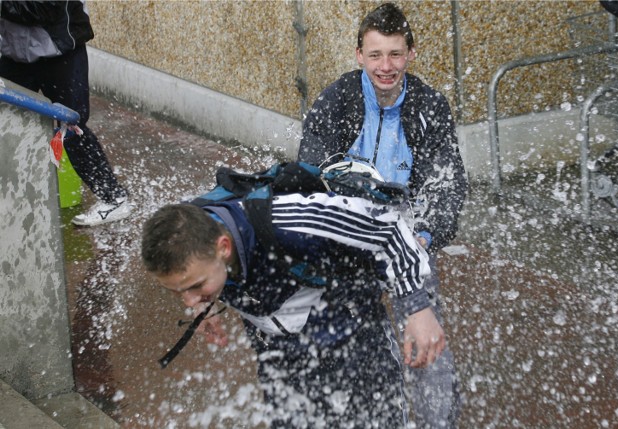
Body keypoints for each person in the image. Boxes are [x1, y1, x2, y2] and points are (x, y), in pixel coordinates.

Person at [141, 187, 448, 428]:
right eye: (179, 292)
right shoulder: (194, 238)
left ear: (224, 247)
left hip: (353, 336)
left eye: (195, 287)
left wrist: (417, 308)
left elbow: (388, 228)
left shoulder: (291, 222)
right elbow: (198, 276)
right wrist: (203, 304)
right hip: (281, 353)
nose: (189, 299)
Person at [297, 3, 468, 427]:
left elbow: (447, 185)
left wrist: (423, 239)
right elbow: (309, 174)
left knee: (428, 347)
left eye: (395, 54)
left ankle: (438, 422)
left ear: (411, 53)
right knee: (355, 351)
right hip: (347, 240)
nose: (386, 66)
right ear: (359, 55)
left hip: (411, 238)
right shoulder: (336, 100)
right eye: (375, 55)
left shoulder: (430, 106)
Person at [0, 1, 132, 226]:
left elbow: (45, 8)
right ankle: (14, 199)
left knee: (71, 127)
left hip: (60, 51)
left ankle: (114, 198)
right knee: (7, 122)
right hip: (13, 53)